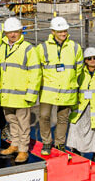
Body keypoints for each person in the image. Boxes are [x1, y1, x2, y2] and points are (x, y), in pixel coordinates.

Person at [0, 18, 42, 164]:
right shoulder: (2, 48)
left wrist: (31, 94)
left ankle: (23, 149)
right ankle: (14, 144)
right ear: (6, 33)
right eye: (10, 32)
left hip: (22, 95)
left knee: (23, 124)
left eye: (15, 31)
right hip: (6, 95)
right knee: (11, 121)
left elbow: (36, 73)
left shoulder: (28, 49)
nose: (13, 35)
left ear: (20, 31)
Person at [34, 17, 82, 154]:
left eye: (65, 31)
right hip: (48, 90)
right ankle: (47, 142)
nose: (63, 34)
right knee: (44, 116)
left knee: (63, 118)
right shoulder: (42, 48)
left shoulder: (75, 47)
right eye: (60, 31)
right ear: (53, 31)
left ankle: (60, 143)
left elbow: (78, 69)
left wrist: (70, 81)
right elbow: (37, 69)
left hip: (67, 89)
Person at [66, 47, 95, 162]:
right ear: (85, 60)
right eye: (89, 58)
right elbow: (72, 87)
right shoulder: (79, 74)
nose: (92, 60)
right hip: (81, 108)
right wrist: (72, 103)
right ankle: (76, 151)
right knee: (76, 129)